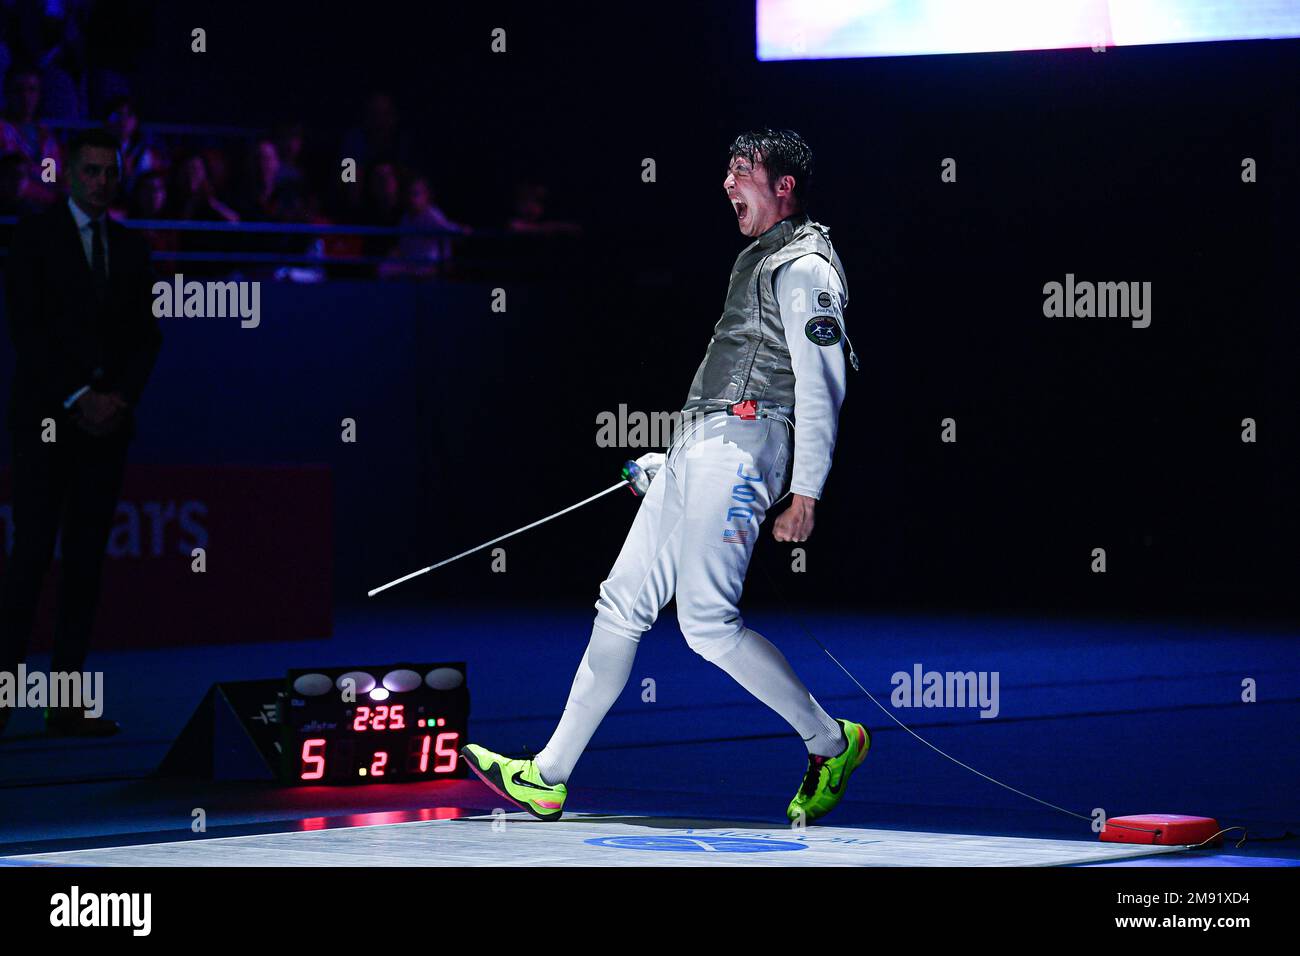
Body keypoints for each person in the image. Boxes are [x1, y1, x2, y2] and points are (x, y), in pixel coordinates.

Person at [462, 129, 869, 823]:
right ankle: (549, 774)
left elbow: (820, 385)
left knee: (707, 625)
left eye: (742, 171)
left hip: (749, 444)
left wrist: (807, 491)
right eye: (728, 169)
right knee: (621, 605)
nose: (727, 182)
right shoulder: (758, 258)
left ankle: (829, 742)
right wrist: (674, 459)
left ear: (783, 186)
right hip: (706, 443)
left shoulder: (805, 267)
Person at [0, 129, 162, 737]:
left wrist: (116, 399)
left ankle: (65, 704)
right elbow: (27, 330)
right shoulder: (33, 240)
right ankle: (1, 699)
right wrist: (77, 396)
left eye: (109, 173)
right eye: (90, 171)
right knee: (31, 557)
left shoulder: (131, 248)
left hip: (107, 430)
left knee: (85, 564)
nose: (100, 182)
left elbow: (147, 337)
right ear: (67, 174)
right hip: (45, 423)